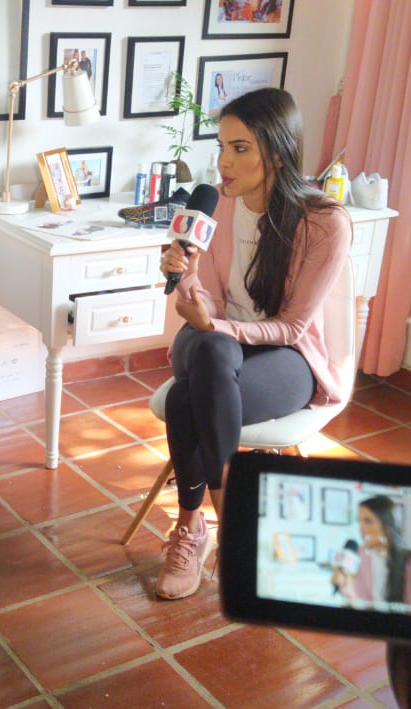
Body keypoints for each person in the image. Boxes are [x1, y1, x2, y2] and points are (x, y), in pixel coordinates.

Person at [155, 87, 351, 600]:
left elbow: (290, 327)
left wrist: (217, 329)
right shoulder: (216, 207)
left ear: (278, 153)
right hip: (214, 350)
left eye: (240, 149)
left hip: (286, 359)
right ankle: (233, 525)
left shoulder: (325, 223)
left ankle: (192, 526)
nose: (223, 163)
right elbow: (209, 311)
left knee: (186, 395)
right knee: (213, 352)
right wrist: (188, 276)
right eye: (221, 147)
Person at [331, 496, 411, 613]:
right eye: (359, 521)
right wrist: (344, 581)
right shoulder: (357, 557)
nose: (361, 529)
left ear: (387, 525)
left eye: (368, 521)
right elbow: (353, 601)